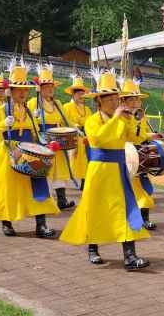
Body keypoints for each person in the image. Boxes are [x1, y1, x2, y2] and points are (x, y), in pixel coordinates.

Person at [59, 68, 150, 270]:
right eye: (109, 99)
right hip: (99, 170)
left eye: (116, 99)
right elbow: (99, 139)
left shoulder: (123, 118)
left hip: (119, 169)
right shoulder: (93, 120)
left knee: (126, 207)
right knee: (95, 208)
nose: (114, 102)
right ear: (99, 100)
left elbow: (136, 138)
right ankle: (93, 248)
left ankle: (130, 256)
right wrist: (117, 118)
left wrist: (136, 121)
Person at [0, 59, 58, 238]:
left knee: (38, 185)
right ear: (11, 91)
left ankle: (41, 225)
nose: (23, 93)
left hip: (30, 151)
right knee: (8, 188)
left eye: (25, 90)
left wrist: (45, 144)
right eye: (19, 90)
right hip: (10, 151)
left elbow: (35, 133)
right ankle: (6, 222)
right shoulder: (2, 110)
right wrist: (2, 123)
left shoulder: (28, 110)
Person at [28, 63, 77, 210]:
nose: (50, 89)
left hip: (58, 139)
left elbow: (66, 120)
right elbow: (31, 122)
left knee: (59, 170)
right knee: (46, 170)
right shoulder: (33, 103)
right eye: (47, 87)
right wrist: (35, 118)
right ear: (40, 88)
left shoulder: (57, 103)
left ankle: (61, 200)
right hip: (43, 139)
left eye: (52, 87)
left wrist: (76, 130)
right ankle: (45, 201)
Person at [121, 76, 158, 230]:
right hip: (127, 154)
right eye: (132, 100)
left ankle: (144, 218)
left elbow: (142, 135)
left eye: (137, 99)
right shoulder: (122, 118)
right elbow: (128, 136)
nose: (136, 103)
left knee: (143, 187)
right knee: (128, 189)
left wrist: (154, 136)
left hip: (141, 154)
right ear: (124, 102)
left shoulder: (141, 116)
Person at [61, 73, 91, 190]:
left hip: (85, 137)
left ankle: (85, 180)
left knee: (86, 159)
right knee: (73, 159)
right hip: (73, 136)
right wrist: (76, 127)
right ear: (73, 94)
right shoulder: (67, 107)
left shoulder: (87, 109)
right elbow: (65, 121)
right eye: (78, 94)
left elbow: (90, 122)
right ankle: (70, 180)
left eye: (83, 94)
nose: (81, 96)